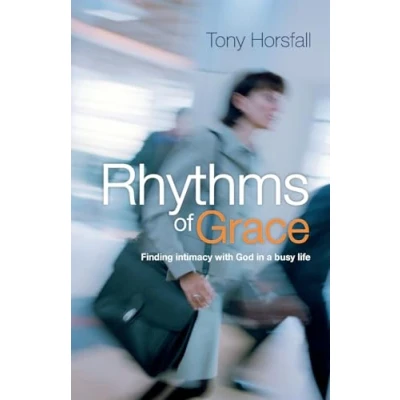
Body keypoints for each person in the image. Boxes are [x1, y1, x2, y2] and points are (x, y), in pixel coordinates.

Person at [133, 71, 286, 399]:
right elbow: (158, 210)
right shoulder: (207, 142)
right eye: (268, 98)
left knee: (181, 374)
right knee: (190, 379)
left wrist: (247, 274)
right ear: (240, 101)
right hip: (190, 282)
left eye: (279, 101)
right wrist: (186, 273)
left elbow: (234, 224)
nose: (277, 107)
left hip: (217, 283)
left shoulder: (252, 157)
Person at [230, 184, 330, 399]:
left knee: (268, 326)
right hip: (304, 280)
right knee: (321, 341)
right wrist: (279, 275)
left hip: (304, 277)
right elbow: (300, 231)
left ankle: (235, 371)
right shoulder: (331, 193)